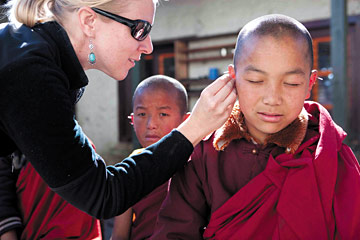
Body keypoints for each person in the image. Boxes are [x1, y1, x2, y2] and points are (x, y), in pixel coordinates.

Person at [0, 0, 237, 239]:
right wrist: (196, 126)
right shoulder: (31, 71)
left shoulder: (29, 50)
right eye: (139, 29)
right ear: (89, 21)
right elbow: (103, 194)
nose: (148, 47)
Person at [152, 14, 360, 239]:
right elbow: (174, 231)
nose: (272, 99)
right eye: (255, 81)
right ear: (233, 78)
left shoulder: (327, 154)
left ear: (309, 84)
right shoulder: (204, 152)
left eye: (291, 83)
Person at [108, 75, 190, 240]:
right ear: (132, 119)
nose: (151, 124)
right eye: (142, 114)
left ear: (186, 120)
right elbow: (119, 235)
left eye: (163, 114)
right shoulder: (131, 167)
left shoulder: (195, 162)